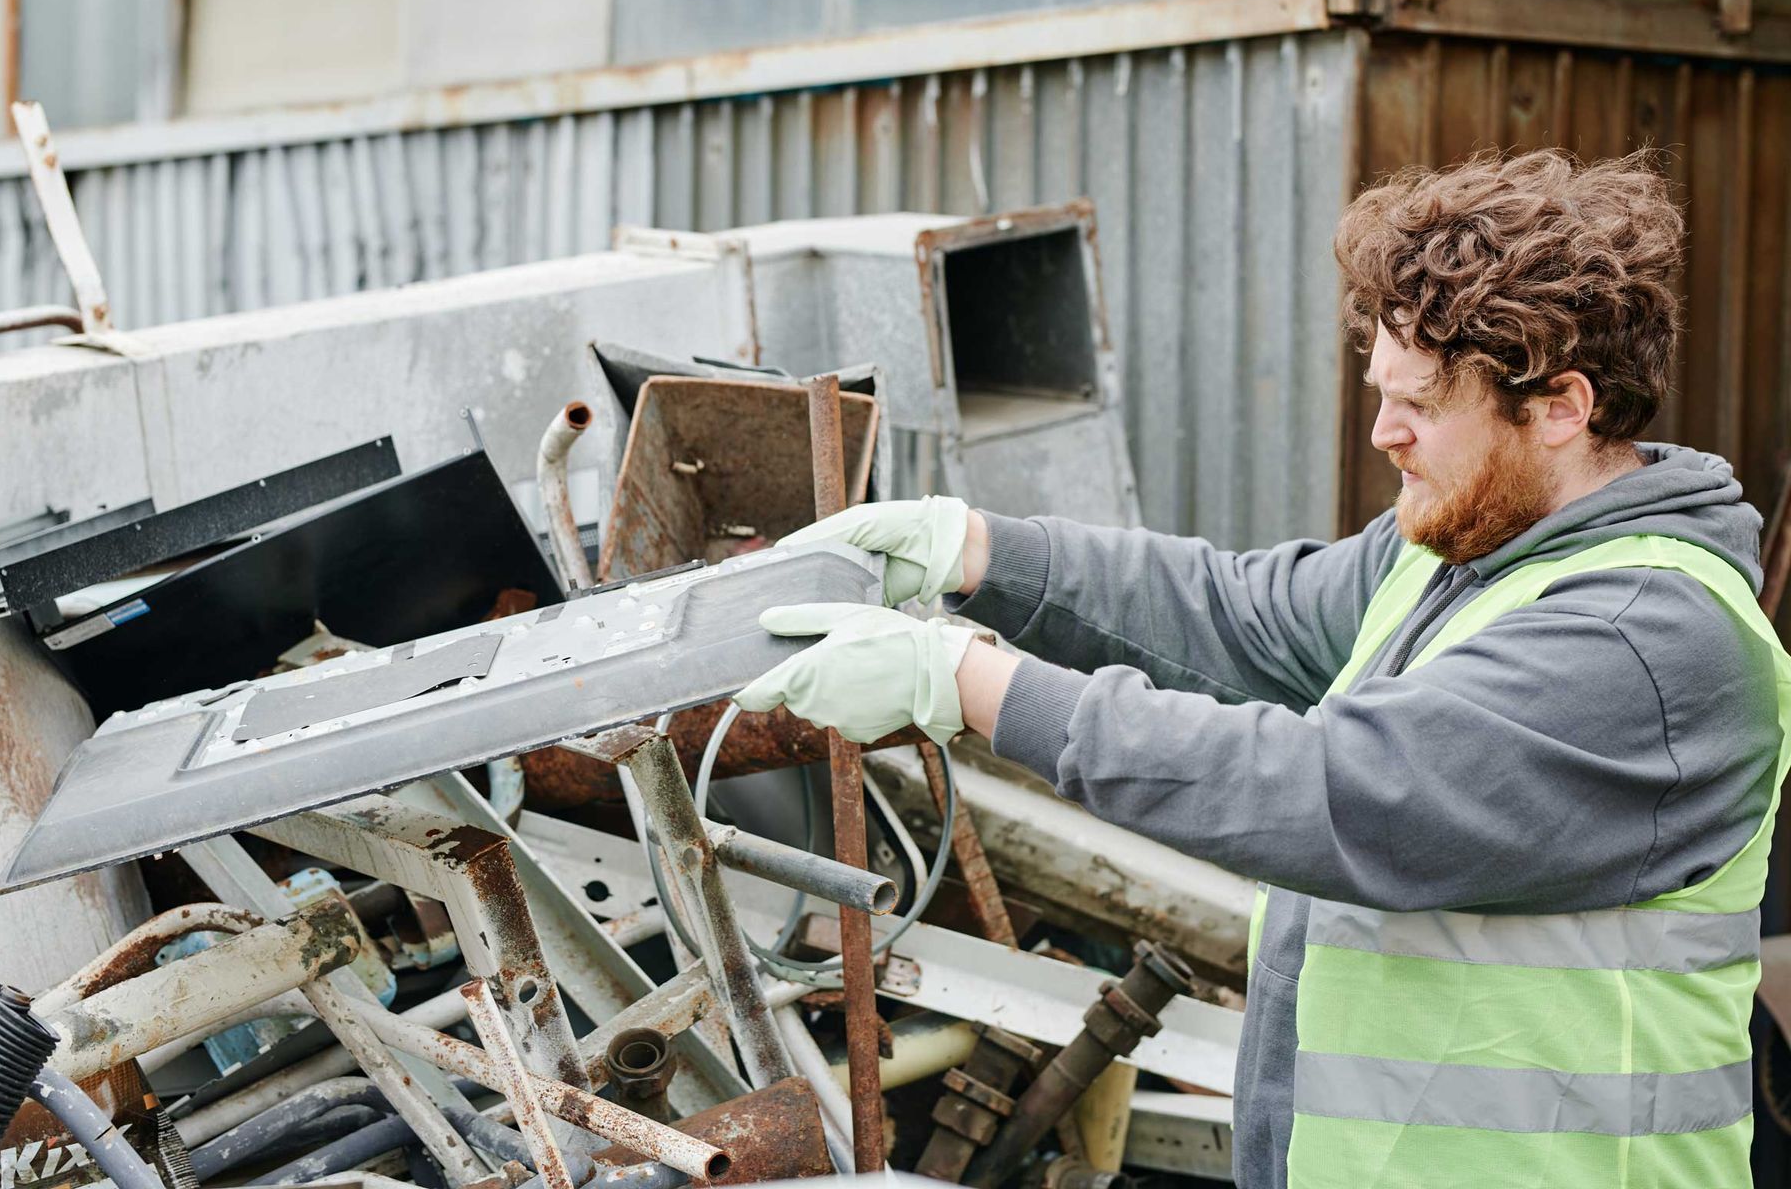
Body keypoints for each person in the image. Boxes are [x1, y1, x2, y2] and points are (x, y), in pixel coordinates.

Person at [734, 149, 1791, 1189]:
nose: (1383, 432)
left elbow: (1334, 791)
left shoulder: (1647, 636)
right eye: (1380, 389)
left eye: (1419, 403)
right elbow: (1244, 612)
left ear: (1561, 405)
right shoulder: (1462, 549)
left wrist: (966, 682)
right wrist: (976, 549)